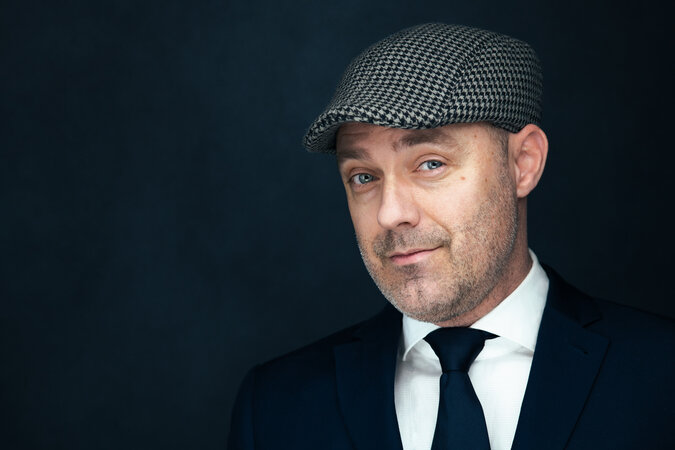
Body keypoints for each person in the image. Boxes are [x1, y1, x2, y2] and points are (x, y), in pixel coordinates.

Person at [227, 23, 674, 450]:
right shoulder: (275, 406)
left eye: (430, 164)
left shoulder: (660, 374)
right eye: (364, 176)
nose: (390, 214)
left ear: (523, 163)